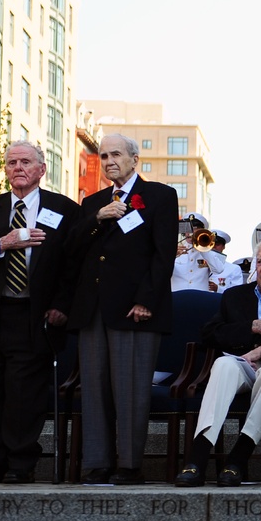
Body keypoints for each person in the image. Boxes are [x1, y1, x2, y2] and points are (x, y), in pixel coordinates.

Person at [0, 142, 80, 483]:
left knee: (24, 393)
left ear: (42, 169)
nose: (18, 167)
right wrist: (3, 243)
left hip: (35, 315)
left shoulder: (64, 209)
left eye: (25, 161)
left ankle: (21, 464)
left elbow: (73, 266)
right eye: (11, 162)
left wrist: (62, 306)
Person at [68, 133, 179, 485]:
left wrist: (146, 299)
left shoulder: (159, 196)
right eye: (103, 156)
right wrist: (98, 217)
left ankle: (129, 465)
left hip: (136, 310)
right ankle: (98, 463)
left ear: (134, 158)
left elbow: (163, 255)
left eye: (116, 154)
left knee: (130, 389)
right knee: (95, 388)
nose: (109, 161)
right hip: (94, 309)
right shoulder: (93, 203)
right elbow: (73, 248)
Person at [175, 238, 261, 487]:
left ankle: (237, 459)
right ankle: (196, 460)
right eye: (260, 262)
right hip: (240, 367)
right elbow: (210, 333)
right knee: (223, 365)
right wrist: (252, 326)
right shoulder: (234, 296)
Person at [171, 212, 226, 291]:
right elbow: (162, 273)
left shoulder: (207, 252)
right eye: (188, 230)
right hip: (177, 297)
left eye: (195, 231)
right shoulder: (175, 249)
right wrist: (171, 256)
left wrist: (202, 247)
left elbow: (219, 269)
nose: (190, 233)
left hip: (200, 298)